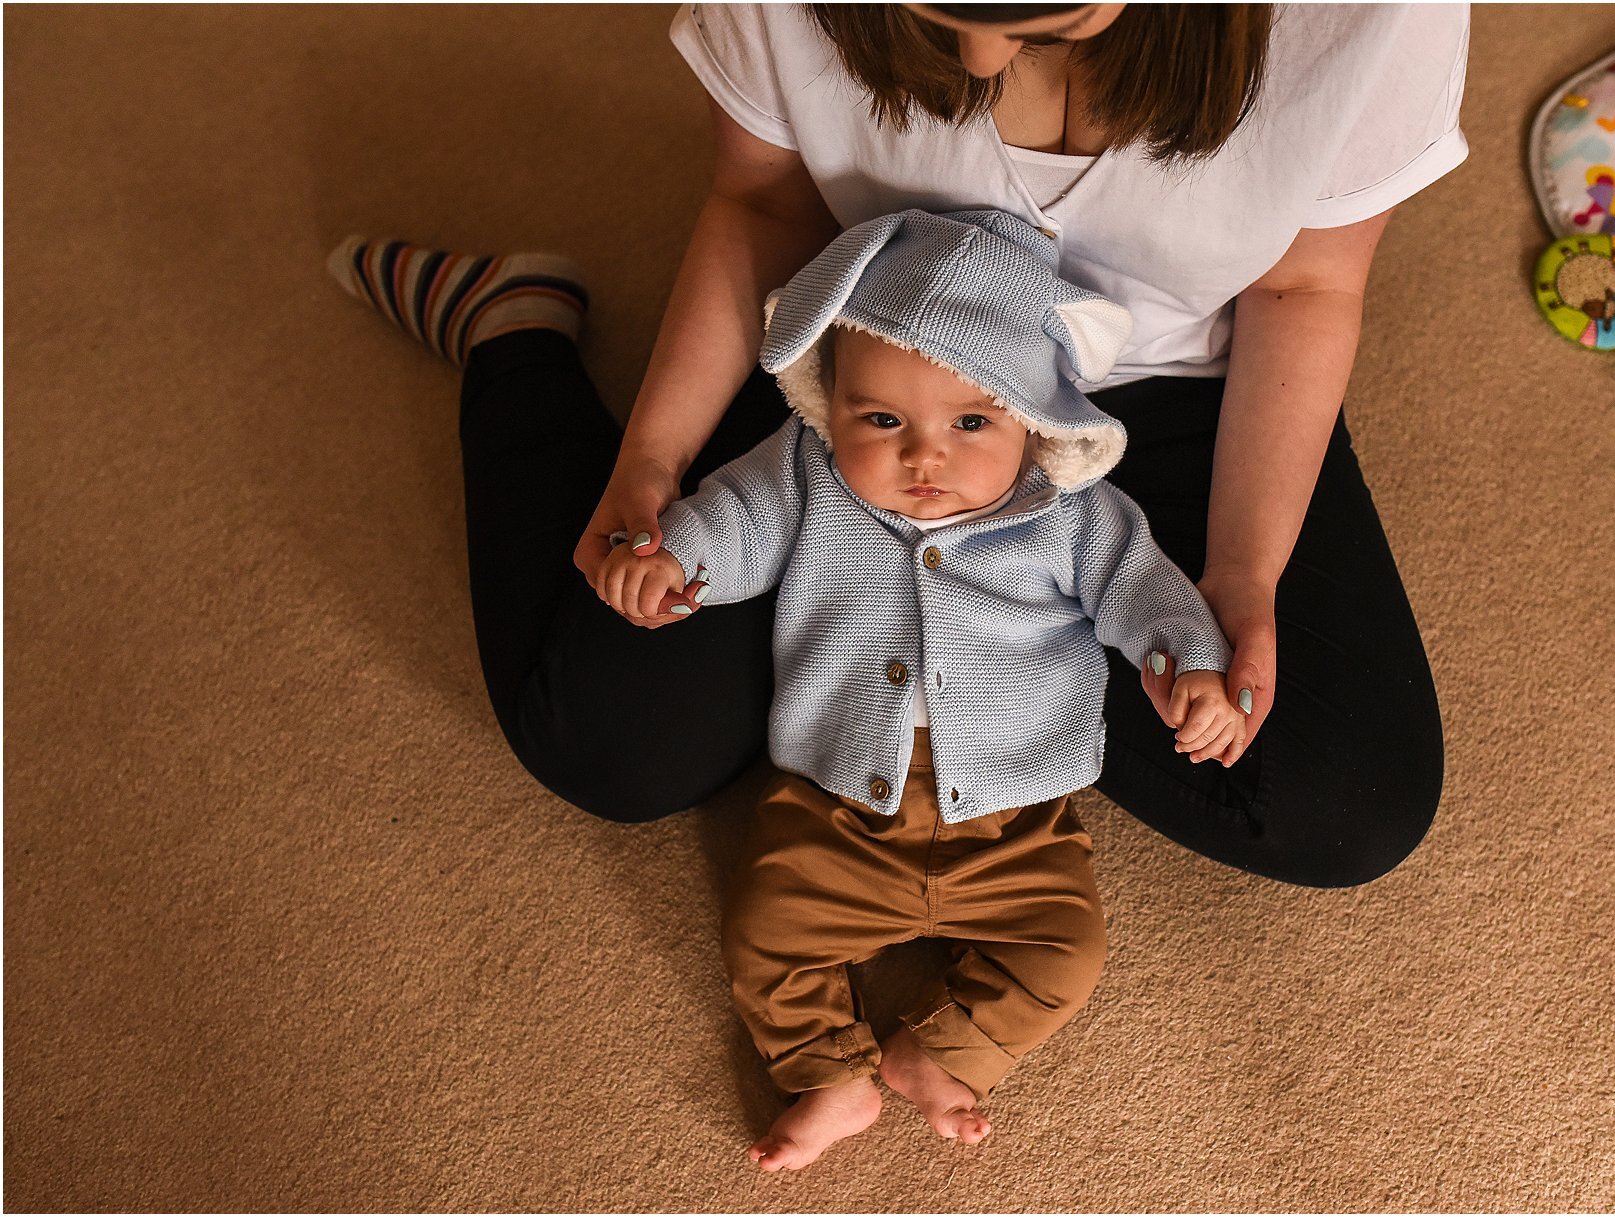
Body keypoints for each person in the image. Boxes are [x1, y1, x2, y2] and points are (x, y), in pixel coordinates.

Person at [326, 3, 1464, 900]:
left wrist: (1239, 575)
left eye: (1033, 13)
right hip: (870, 365)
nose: (971, 58)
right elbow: (763, 202)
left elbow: (1300, 283)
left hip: (1167, 381)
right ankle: (513, 333)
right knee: (605, 743)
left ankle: (980, 647)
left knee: (1341, 799)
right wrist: (652, 460)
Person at [588, 206, 1239, 1169]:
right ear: (830, 404)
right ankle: (829, 1073)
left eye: (971, 421)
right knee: (768, 925)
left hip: (1014, 825)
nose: (922, 456)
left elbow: (1142, 590)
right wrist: (676, 554)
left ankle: (941, 1050)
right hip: (837, 811)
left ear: (1032, 416)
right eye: (881, 419)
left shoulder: (1067, 509)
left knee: (1068, 950)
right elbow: (738, 520)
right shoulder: (811, 473)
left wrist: (1193, 665)